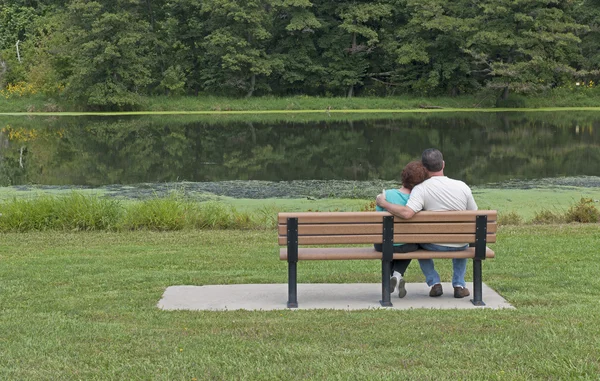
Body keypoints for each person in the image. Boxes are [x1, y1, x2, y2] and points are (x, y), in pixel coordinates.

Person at [376, 148, 478, 298]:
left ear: (424, 168)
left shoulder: (420, 189)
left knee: (418, 243)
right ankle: (459, 285)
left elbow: (407, 213)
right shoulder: (463, 186)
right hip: (460, 242)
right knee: (461, 239)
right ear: (443, 164)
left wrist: (384, 204)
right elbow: (475, 214)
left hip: (433, 244)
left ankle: (434, 283)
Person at [374, 161, 428, 298]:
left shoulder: (386, 195)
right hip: (407, 245)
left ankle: (391, 279)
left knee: (389, 241)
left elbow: (377, 220)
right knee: (411, 245)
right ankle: (397, 275)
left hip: (383, 245)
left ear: (403, 176)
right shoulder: (418, 200)